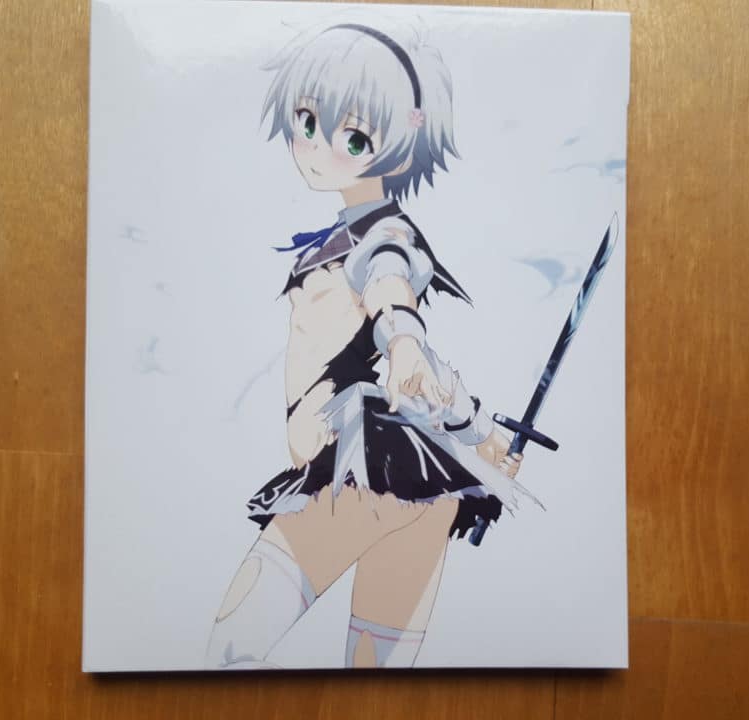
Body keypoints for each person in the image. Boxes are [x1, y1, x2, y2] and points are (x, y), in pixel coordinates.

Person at [206, 16, 534, 670]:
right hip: (418, 487)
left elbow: (390, 288)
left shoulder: (382, 239)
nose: (317, 146)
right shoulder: (368, 231)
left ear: (400, 147)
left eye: (352, 136)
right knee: (376, 674)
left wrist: (403, 340)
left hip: (356, 475)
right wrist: (481, 434)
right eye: (307, 121)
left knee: (230, 649)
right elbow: (420, 368)